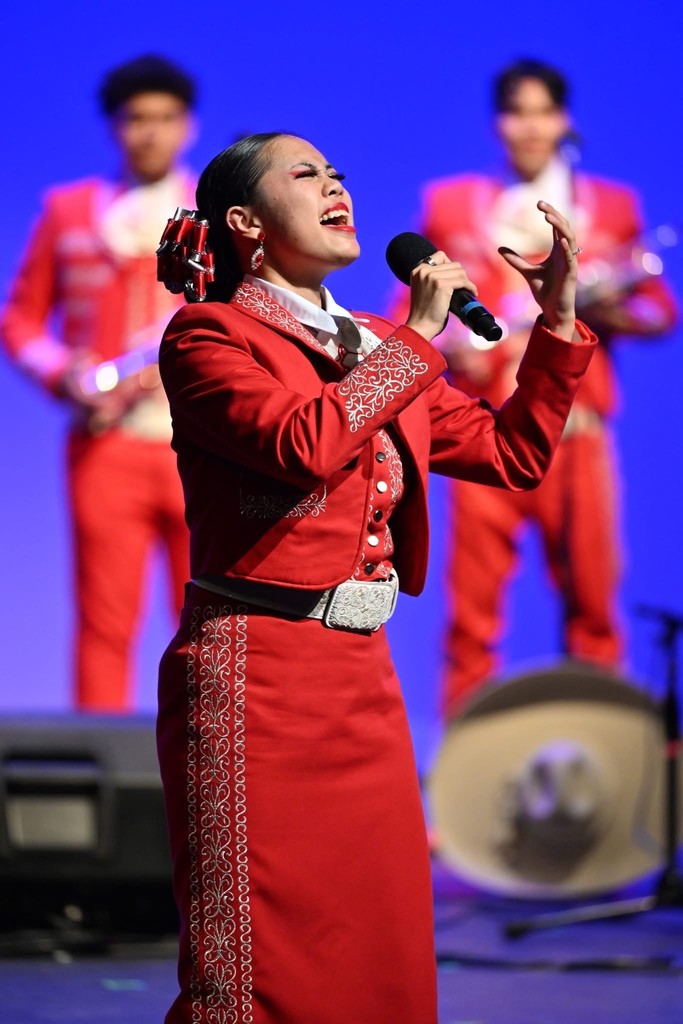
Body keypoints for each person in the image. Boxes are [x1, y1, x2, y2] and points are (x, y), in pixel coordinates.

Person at [155, 130, 595, 1024]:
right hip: (255, 674)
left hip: (360, 677)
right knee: (260, 958)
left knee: (378, 936)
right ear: (244, 221)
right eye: (306, 176)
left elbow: (512, 455)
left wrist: (553, 324)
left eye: (338, 174)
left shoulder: (374, 341)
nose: (334, 187)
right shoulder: (209, 335)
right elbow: (301, 445)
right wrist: (419, 337)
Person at [388, 58, 677, 719]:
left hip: (574, 434)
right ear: (498, 123)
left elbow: (659, 313)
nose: (530, 126)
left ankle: (600, 769)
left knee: (593, 607)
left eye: (543, 111)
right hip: (482, 426)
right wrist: (435, 332)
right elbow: (402, 300)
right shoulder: (454, 204)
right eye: (516, 111)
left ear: (564, 120)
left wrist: (594, 307)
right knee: (470, 614)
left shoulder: (607, 206)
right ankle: (465, 791)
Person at [1, 55, 198, 711]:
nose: (150, 133)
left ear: (188, 127)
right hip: (106, 442)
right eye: (136, 119)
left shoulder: (219, 212)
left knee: (209, 619)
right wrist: (67, 375)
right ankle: (100, 772)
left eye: (165, 119)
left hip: (198, 448)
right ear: (115, 127)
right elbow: (20, 320)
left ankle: (212, 775)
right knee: (104, 618)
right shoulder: (69, 212)